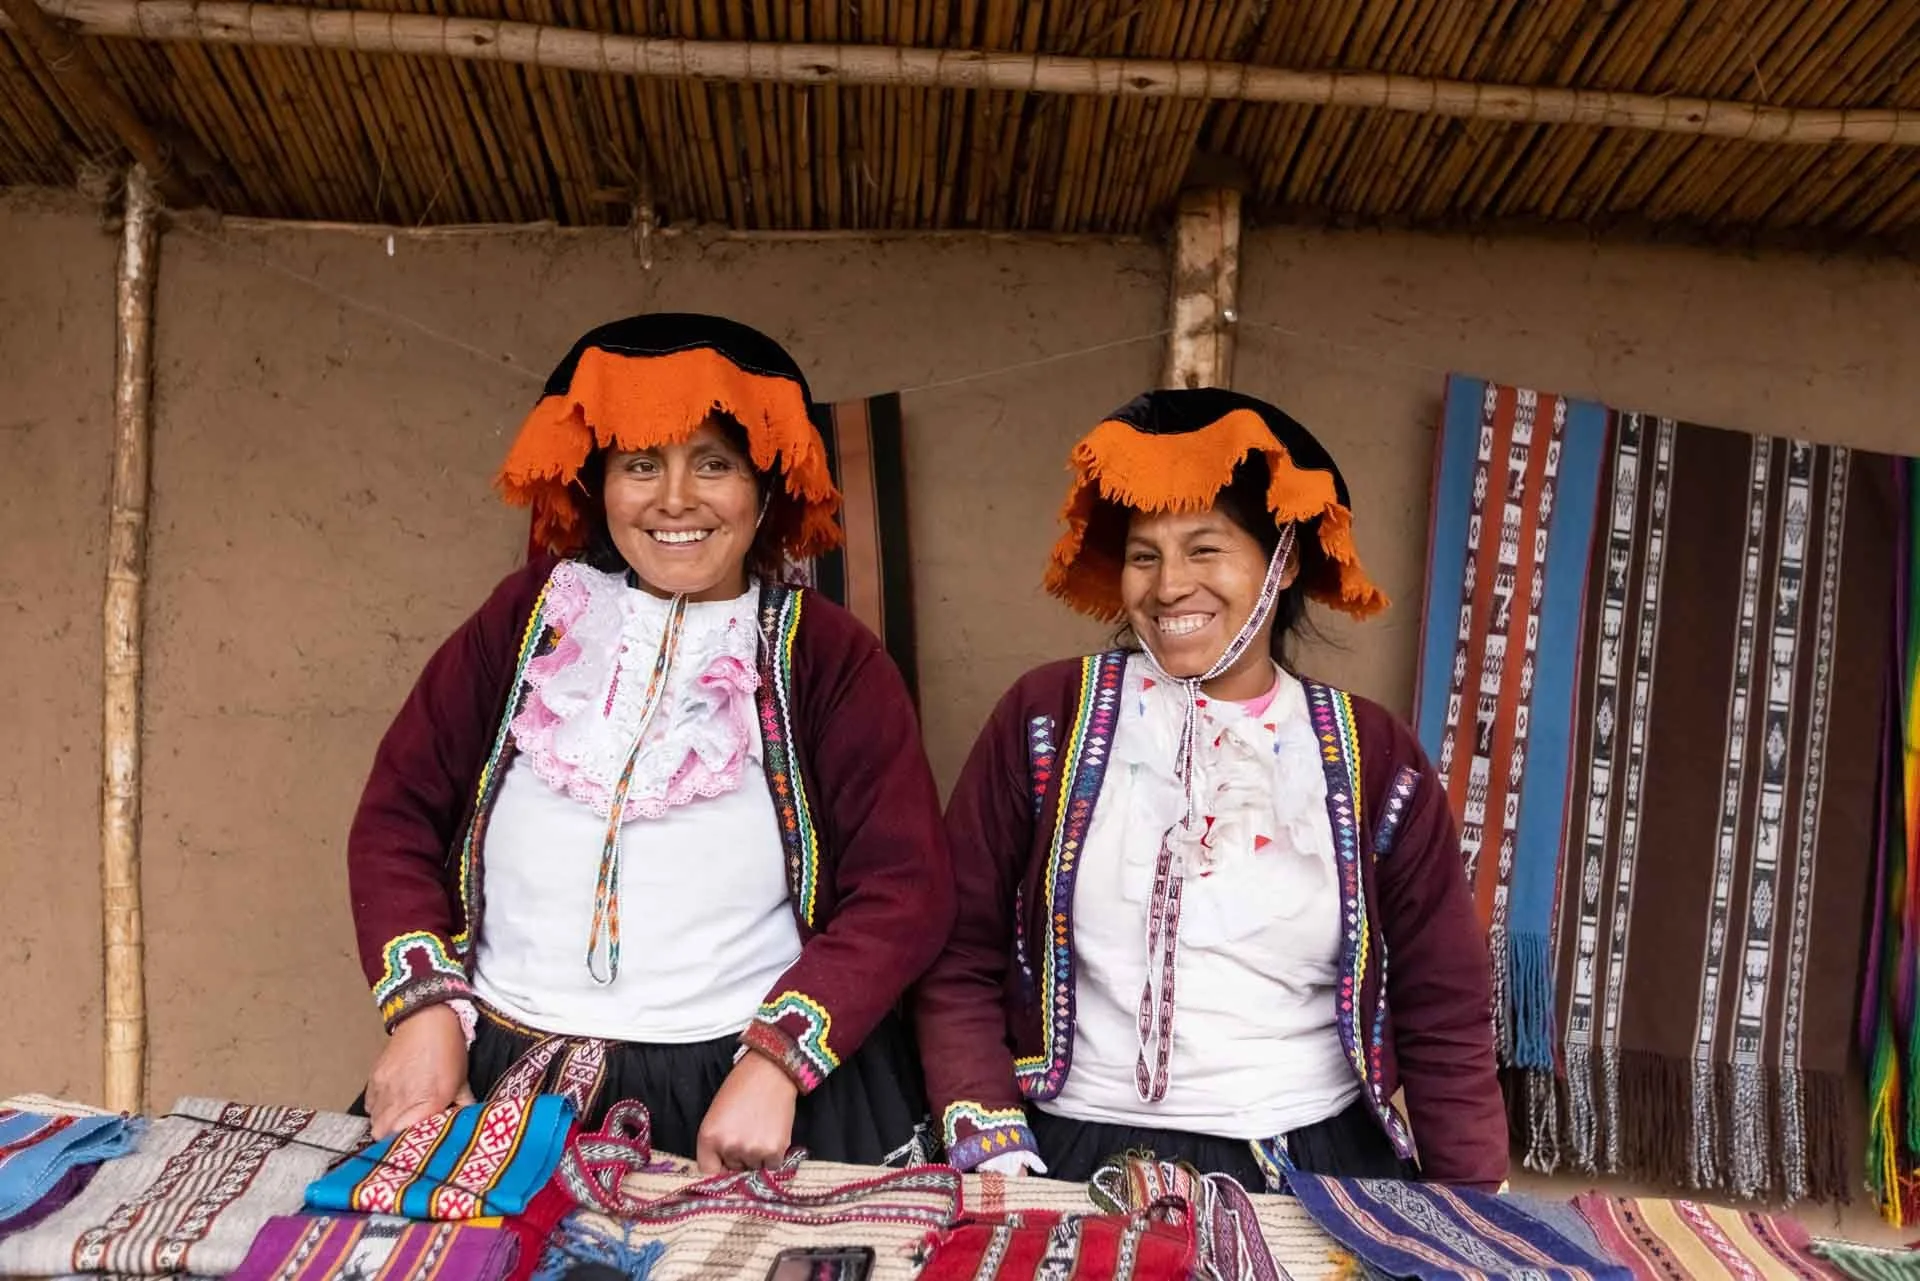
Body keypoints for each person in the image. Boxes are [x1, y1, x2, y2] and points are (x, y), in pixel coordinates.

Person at [347, 313, 951, 1173]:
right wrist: (424, 1013)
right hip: (489, 1077)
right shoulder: (530, 619)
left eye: (713, 463)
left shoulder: (826, 656)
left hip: (743, 1093)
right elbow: (397, 816)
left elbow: (904, 887)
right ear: (600, 483)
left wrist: (777, 1062)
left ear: (765, 486)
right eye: (641, 465)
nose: (675, 499)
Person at [914, 388, 1506, 1189]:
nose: (1168, 588)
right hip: (1066, 1160)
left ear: (1285, 560)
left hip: (1309, 1169)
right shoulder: (1046, 716)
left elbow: (1444, 1002)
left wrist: (1472, 1206)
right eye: (1144, 554)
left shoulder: (1372, 756)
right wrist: (989, 1136)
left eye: (1205, 549)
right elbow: (959, 952)